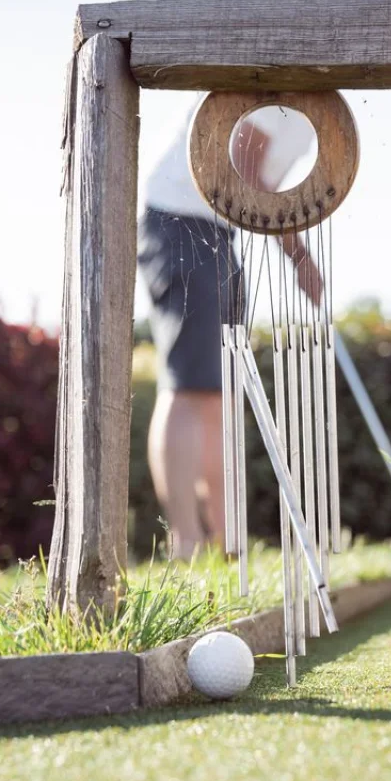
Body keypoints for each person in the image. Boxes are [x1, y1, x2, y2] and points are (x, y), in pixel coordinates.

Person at [138, 98, 322, 559]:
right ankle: (187, 541)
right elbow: (242, 162)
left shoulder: (321, 106)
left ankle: (227, 542)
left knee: (220, 391)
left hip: (219, 231)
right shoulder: (279, 86)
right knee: (189, 386)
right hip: (179, 221)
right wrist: (298, 255)